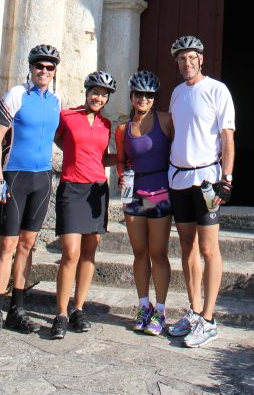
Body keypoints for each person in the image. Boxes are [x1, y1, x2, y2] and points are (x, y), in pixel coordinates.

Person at [0, 44, 62, 340]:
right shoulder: (16, 95)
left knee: (28, 244)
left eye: (50, 67)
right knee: (7, 245)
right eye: (39, 66)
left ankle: (18, 308)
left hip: (42, 179)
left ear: (55, 71)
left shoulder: (56, 100)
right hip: (14, 177)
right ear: (30, 68)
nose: (44, 71)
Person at [166, 36, 235, 348]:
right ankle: (194, 311)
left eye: (192, 57)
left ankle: (209, 319)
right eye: (182, 59)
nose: (187, 63)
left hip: (207, 179)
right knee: (186, 246)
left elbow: (227, 137)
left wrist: (228, 179)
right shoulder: (177, 93)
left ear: (201, 59)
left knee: (209, 248)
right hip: (179, 178)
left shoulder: (217, 90)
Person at [50, 70, 118, 339]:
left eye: (103, 94)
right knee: (70, 253)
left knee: (89, 253)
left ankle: (78, 308)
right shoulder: (67, 116)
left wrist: (125, 159)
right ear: (86, 91)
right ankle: (60, 313)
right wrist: (72, 154)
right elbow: (57, 138)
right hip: (72, 188)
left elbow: (101, 157)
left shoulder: (106, 125)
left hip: (96, 191)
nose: (98, 97)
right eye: (95, 92)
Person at [115, 70, 174, 337]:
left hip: (160, 192)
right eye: (139, 94)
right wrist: (120, 180)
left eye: (148, 95)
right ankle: (143, 306)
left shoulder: (166, 121)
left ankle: (160, 311)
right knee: (139, 252)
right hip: (135, 195)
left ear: (154, 98)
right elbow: (120, 161)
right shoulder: (123, 128)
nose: (143, 99)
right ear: (132, 96)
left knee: (158, 253)